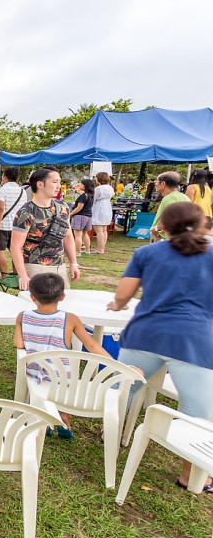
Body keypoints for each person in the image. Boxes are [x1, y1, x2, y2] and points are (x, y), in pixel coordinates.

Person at [108, 201, 213, 490]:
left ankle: (111, 437)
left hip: (146, 334)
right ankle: (191, 477)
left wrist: (116, 305)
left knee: (122, 391)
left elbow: (123, 295)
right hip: (194, 341)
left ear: (162, 227)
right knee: (198, 412)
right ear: (203, 224)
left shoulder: (147, 252)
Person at [14, 272, 113, 440]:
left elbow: (19, 344)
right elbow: (91, 345)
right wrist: (115, 364)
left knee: (48, 382)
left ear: (32, 297)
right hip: (62, 378)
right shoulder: (70, 319)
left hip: (35, 373)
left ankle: (44, 421)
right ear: (62, 296)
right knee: (65, 379)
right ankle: (64, 418)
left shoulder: (23, 317)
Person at [10, 166, 78, 291]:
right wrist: (23, 275)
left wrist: (73, 263)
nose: (59, 186)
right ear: (40, 184)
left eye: (59, 182)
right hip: (35, 266)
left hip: (59, 266)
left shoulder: (63, 207)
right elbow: (15, 246)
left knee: (62, 303)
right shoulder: (26, 212)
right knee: (38, 306)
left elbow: (68, 236)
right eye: (54, 182)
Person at [0, 167, 25, 273]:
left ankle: (4, 275)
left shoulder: (1, 191)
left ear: (4, 177)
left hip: (3, 225)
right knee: (16, 251)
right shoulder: (22, 191)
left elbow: (1, 209)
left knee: (0, 250)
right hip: (17, 226)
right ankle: (16, 275)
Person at [149, 171, 190, 242]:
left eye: (156, 181)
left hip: (164, 238)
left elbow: (172, 220)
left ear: (163, 184)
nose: (155, 184)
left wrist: (155, 229)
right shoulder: (185, 197)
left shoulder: (168, 199)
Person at [67, 178, 95, 257]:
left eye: (82, 184)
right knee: (85, 234)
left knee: (78, 235)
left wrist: (70, 214)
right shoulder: (91, 195)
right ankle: (87, 250)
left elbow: (79, 208)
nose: (80, 185)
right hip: (88, 216)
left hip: (80, 216)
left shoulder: (83, 196)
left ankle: (77, 252)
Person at [91, 172, 115, 254]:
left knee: (99, 230)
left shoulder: (98, 188)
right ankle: (102, 248)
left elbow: (94, 199)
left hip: (99, 207)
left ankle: (100, 249)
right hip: (107, 206)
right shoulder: (110, 187)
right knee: (104, 229)